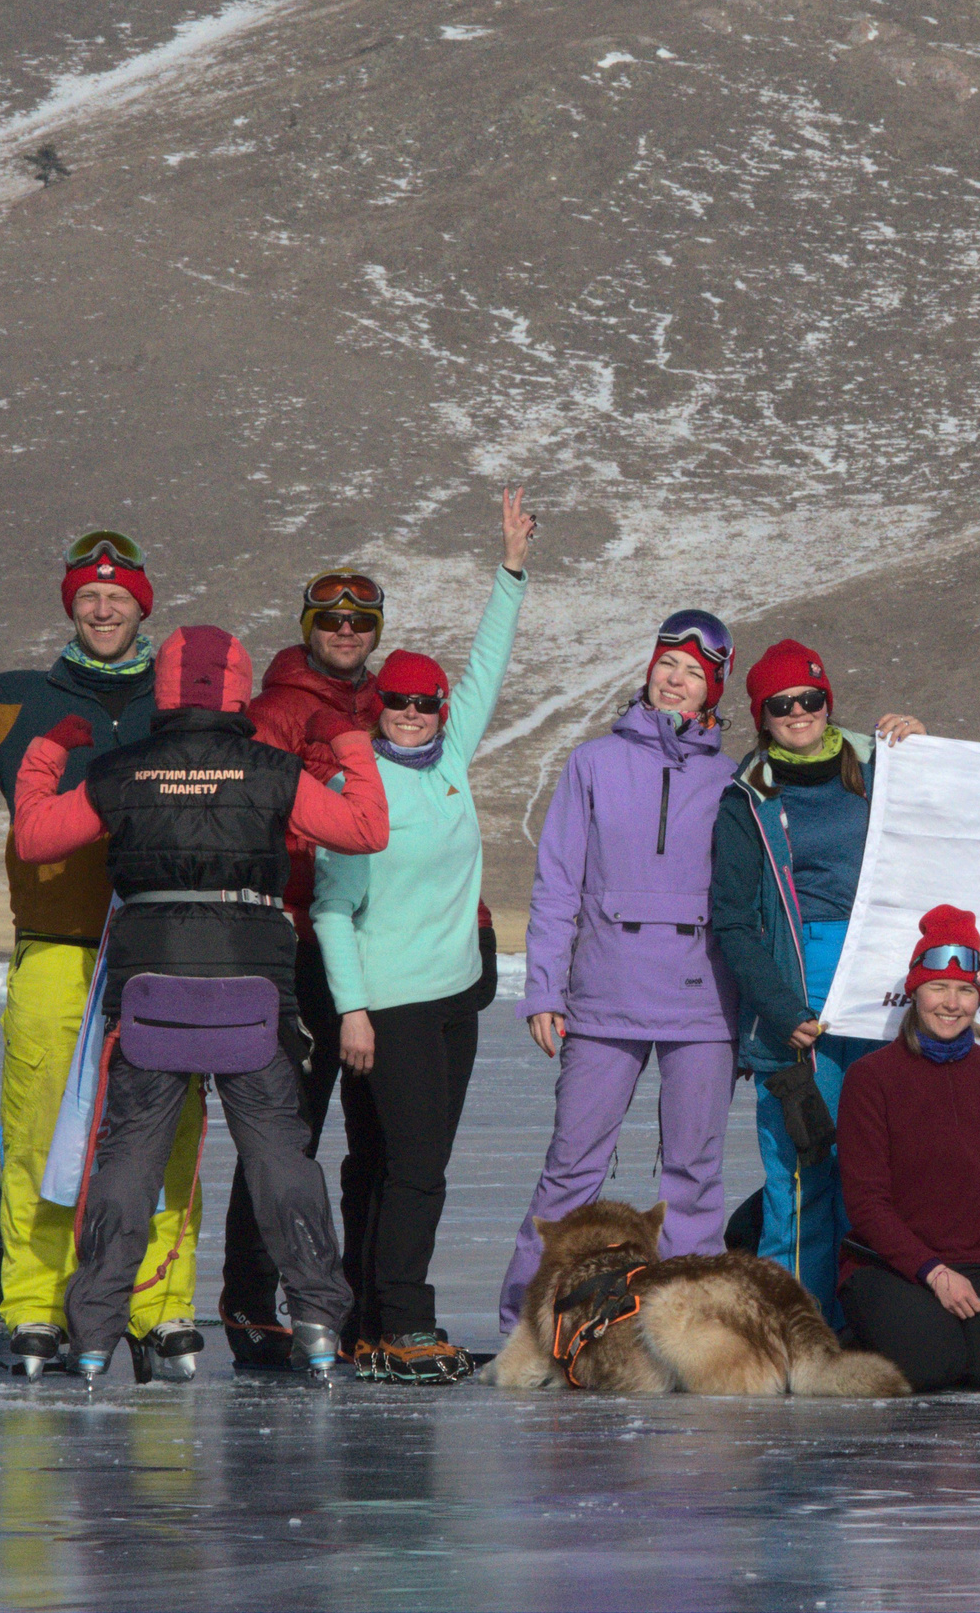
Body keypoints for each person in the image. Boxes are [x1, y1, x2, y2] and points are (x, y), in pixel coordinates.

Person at [10, 625, 389, 1379]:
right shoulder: (272, 770)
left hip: (150, 988)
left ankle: (91, 1335)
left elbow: (36, 836)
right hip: (250, 991)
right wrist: (348, 739)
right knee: (280, 1155)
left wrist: (47, 752)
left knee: (128, 1157)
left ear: (166, 688)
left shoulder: (123, 769)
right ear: (240, 689)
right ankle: (316, 1316)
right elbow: (365, 827)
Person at [0, 533, 205, 1375]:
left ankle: (160, 1304)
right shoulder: (22, 700)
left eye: (119, 597)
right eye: (88, 598)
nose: (102, 609)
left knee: (166, 1134)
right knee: (38, 1138)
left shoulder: (179, 708)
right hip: (57, 954)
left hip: (161, 951)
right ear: (72, 606)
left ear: (145, 607)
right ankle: (36, 1306)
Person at [313, 491, 532, 1383]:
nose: (409, 713)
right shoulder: (354, 780)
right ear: (377, 709)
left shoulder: (448, 760)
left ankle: (367, 1315)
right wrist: (353, 1011)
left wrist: (511, 569)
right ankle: (402, 1320)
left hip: (452, 997)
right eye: (395, 701)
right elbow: (330, 908)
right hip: (388, 1003)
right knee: (414, 1169)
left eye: (423, 703)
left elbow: (488, 666)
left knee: (390, 1163)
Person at [496, 609, 742, 1333]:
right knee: (573, 1168)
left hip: (704, 1001)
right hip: (604, 994)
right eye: (669, 663)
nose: (676, 679)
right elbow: (557, 882)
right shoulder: (592, 763)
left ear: (713, 691)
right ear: (648, 670)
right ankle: (526, 1323)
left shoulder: (734, 777)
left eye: (694, 672)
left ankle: (689, 1329)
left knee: (693, 1177)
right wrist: (544, 985)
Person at [710, 640, 924, 1329]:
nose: (800, 712)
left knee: (885, 1166)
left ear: (827, 700)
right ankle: (796, 1329)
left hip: (884, 985)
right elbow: (733, 918)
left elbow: (949, 824)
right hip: (800, 990)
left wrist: (923, 751)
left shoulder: (878, 763)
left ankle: (878, 1320)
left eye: (811, 698)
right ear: (761, 716)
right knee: (802, 1170)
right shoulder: (747, 798)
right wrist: (780, 1010)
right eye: (782, 705)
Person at [220, 560, 392, 1366]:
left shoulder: (400, 706)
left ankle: (356, 1302)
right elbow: (255, 815)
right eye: (331, 619)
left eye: (361, 619)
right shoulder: (275, 711)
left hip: (380, 947)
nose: (346, 630)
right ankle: (252, 1298)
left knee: (378, 1139)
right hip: (297, 942)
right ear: (307, 626)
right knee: (288, 1132)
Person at [836, 907, 980, 1394]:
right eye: (938, 987)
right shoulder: (872, 1077)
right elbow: (867, 1204)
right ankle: (867, 1328)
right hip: (894, 1265)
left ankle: (944, 1334)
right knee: (931, 1366)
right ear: (914, 991)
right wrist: (934, 1273)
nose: (951, 1003)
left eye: (965, 990)